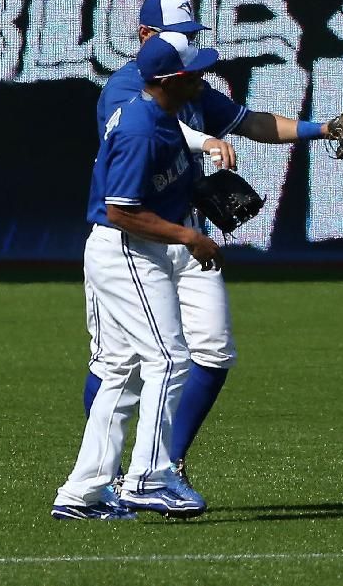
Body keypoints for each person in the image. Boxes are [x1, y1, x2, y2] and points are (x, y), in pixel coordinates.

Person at [84, 0, 336, 510]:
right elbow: (152, 134)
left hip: (185, 233)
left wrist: (323, 129)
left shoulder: (191, 84)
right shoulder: (128, 90)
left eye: (194, 34)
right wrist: (203, 144)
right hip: (138, 238)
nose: (192, 45)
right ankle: (106, 481)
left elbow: (251, 123)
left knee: (211, 349)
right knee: (120, 362)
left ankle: (162, 468)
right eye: (182, 35)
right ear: (146, 37)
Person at [52, 32, 224, 520]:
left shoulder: (159, 116)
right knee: (169, 360)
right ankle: (149, 478)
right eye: (195, 72)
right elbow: (121, 210)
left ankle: (82, 492)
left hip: (130, 248)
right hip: (125, 248)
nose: (202, 77)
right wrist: (190, 236)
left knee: (118, 373)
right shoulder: (141, 129)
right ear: (171, 80)